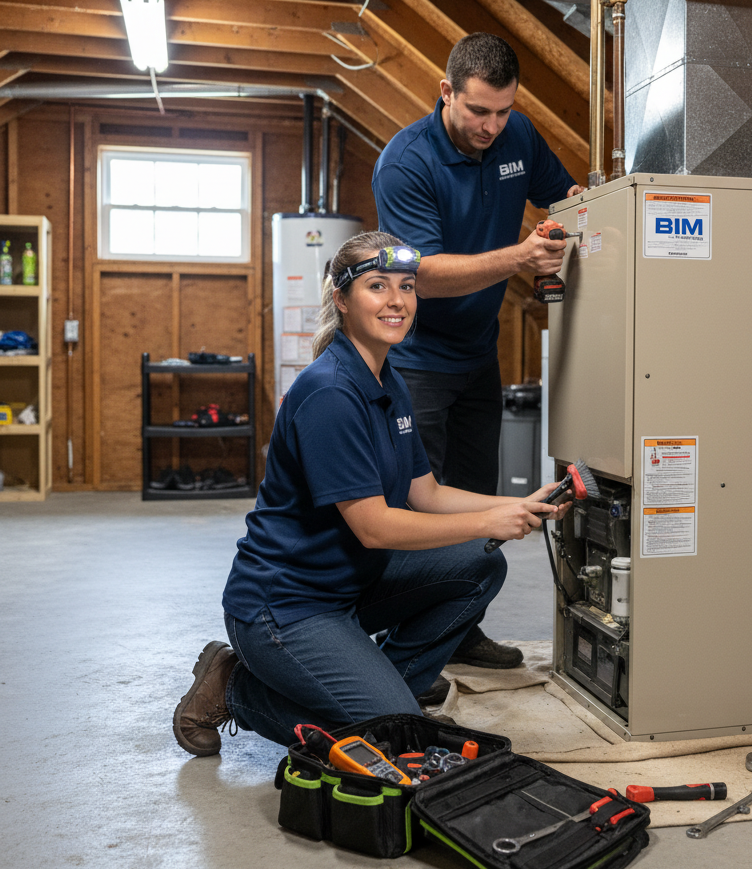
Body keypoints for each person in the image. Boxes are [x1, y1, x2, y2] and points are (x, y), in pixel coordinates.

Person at [172, 231, 570, 755]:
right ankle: (236, 688)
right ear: (341, 299)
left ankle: (385, 695)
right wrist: (488, 523)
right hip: (285, 608)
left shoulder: (387, 380)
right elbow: (375, 526)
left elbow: (424, 494)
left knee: (480, 564)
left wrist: (518, 504)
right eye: (378, 286)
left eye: (407, 287)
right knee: (389, 740)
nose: (397, 301)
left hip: (349, 589)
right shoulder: (331, 391)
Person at [373, 32, 584, 670]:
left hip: (477, 354)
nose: (492, 126)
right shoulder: (406, 162)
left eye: (503, 111)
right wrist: (523, 255)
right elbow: (424, 276)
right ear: (446, 93)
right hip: (418, 361)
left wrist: (570, 231)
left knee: (479, 495)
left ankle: (460, 633)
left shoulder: (517, 136)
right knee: (421, 507)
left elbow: (569, 197)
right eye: (477, 111)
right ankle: (409, 651)